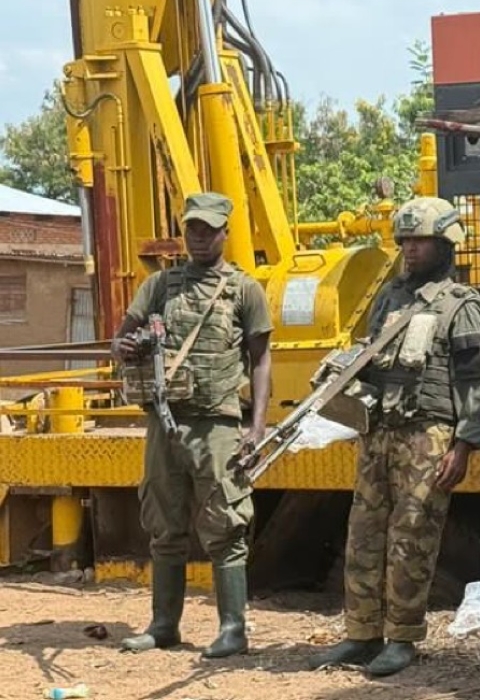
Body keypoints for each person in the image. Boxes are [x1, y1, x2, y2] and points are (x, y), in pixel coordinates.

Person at [308, 196, 480, 677]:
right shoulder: (391, 298)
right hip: (380, 432)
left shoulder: (462, 307)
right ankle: (361, 633)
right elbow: (373, 364)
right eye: (405, 241)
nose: (409, 250)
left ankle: (402, 637)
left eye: (420, 241)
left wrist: (465, 443)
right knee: (364, 535)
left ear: (445, 244)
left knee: (412, 537)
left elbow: (479, 384)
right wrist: (343, 377)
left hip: (428, 435)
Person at [112, 191, 273, 659]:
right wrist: (125, 347)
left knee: (226, 524)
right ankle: (164, 625)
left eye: (208, 229)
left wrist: (256, 427)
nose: (199, 238)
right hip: (166, 423)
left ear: (225, 231)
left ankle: (232, 629)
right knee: (164, 525)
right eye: (191, 230)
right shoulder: (160, 286)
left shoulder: (244, 289)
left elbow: (261, 358)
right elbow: (122, 336)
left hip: (218, 424)